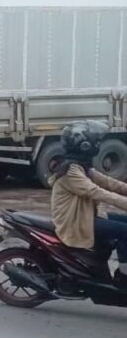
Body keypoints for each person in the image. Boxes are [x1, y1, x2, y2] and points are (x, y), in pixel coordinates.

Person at [49, 120, 127, 288]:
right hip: (76, 222)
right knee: (125, 232)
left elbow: (110, 183)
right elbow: (97, 191)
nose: (98, 144)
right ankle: (123, 278)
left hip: (85, 215)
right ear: (84, 145)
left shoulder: (80, 166)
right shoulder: (70, 171)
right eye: (96, 141)